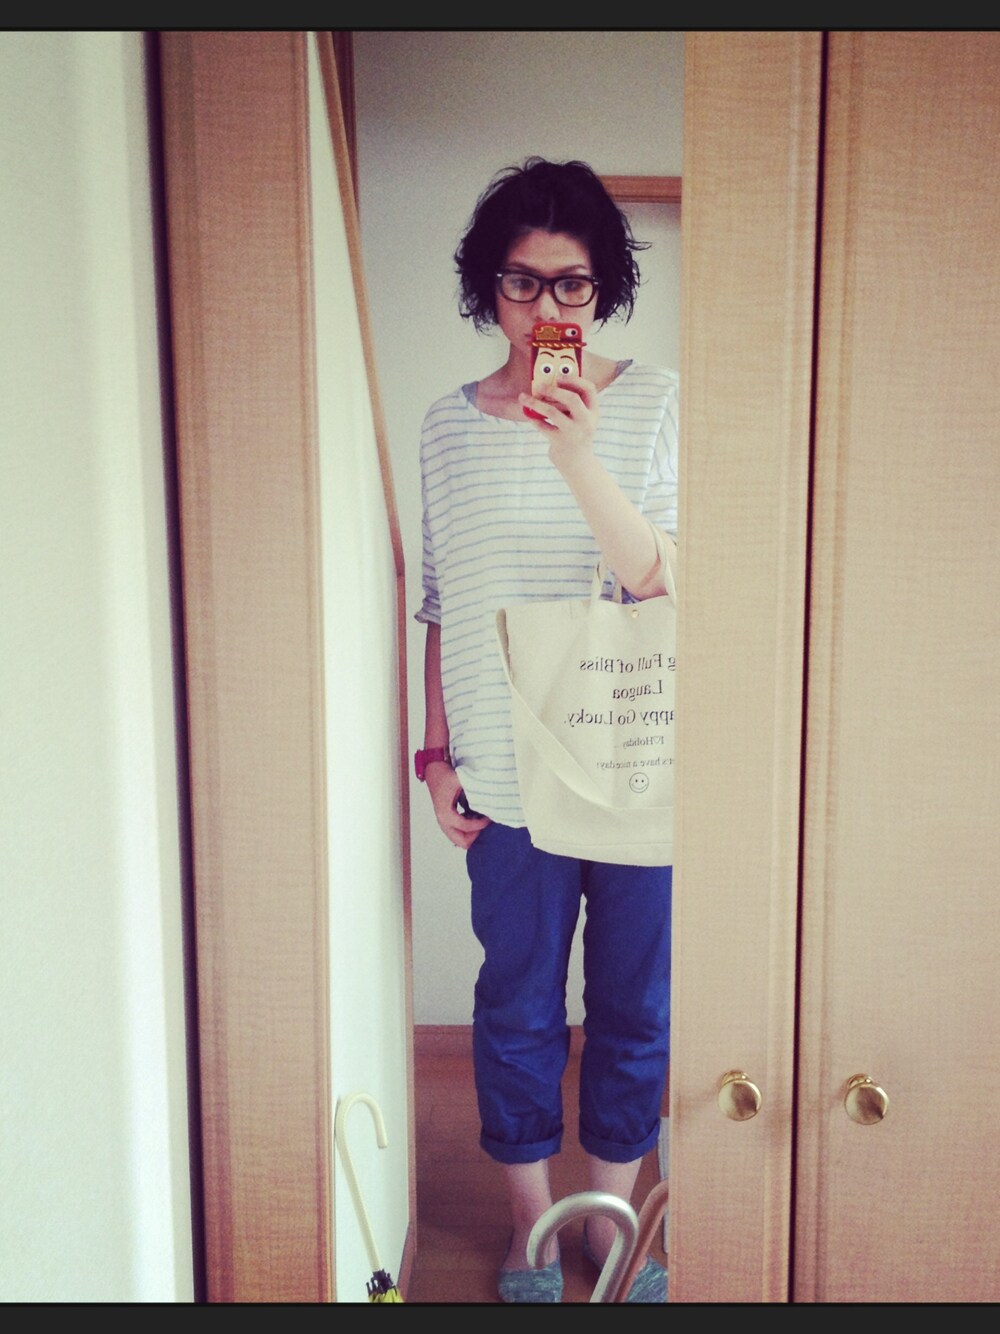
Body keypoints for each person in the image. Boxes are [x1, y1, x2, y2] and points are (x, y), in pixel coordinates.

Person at [413, 157, 677, 1304]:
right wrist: (432, 753)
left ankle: (611, 1220)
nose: (545, 309)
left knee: (633, 1006)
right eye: (522, 282)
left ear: (602, 289)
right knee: (516, 1004)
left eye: (571, 285)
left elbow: (661, 579)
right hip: (502, 764)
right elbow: (441, 601)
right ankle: (532, 1228)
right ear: (489, 285)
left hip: (633, 761)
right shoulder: (446, 424)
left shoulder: (655, 401)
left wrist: (576, 453)